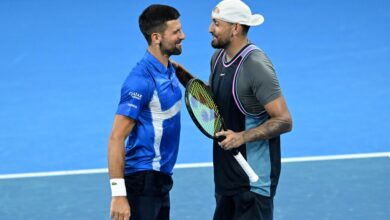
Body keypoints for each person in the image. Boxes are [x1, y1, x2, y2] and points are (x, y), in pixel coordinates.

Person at [175, 0, 292, 219]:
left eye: (216, 23)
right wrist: (186, 79)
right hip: (225, 177)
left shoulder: (256, 66)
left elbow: (284, 120)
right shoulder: (218, 57)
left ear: (236, 28)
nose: (210, 29)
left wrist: (241, 137)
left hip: (253, 182)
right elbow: (217, 101)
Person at [107, 4, 185, 220]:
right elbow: (116, 138)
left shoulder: (169, 69)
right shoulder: (140, 82)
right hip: (142, 182)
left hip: (160, 179)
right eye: (176, 32)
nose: (183, 36)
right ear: (156, 37)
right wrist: (119, 195)